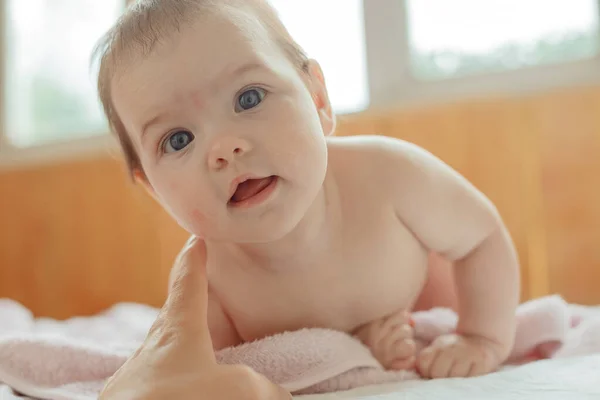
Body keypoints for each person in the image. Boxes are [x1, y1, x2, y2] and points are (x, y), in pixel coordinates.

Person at [94, 0, 521, 395]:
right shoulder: (205, 283)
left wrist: (480, 338)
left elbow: (480, 238)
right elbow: (216, 377)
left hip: (426, 305)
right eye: (178, 139)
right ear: (153, 188)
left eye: (249, 98)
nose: (223, 147)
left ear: (318, 99)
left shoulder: (391, 175)